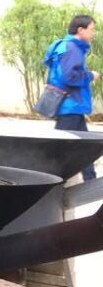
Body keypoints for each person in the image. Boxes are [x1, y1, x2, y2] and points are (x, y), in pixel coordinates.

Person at [45, 15, 100, 181]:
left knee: (85, 148)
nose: (93, 33)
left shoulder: (67, 46)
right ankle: (48, 182)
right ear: (80, 30)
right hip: (69, 107)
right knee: (59, 150)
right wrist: (90, 75)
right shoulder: (72, 49)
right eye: (92, 29)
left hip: (71, 107)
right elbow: (70, 77)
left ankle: (91, 181)